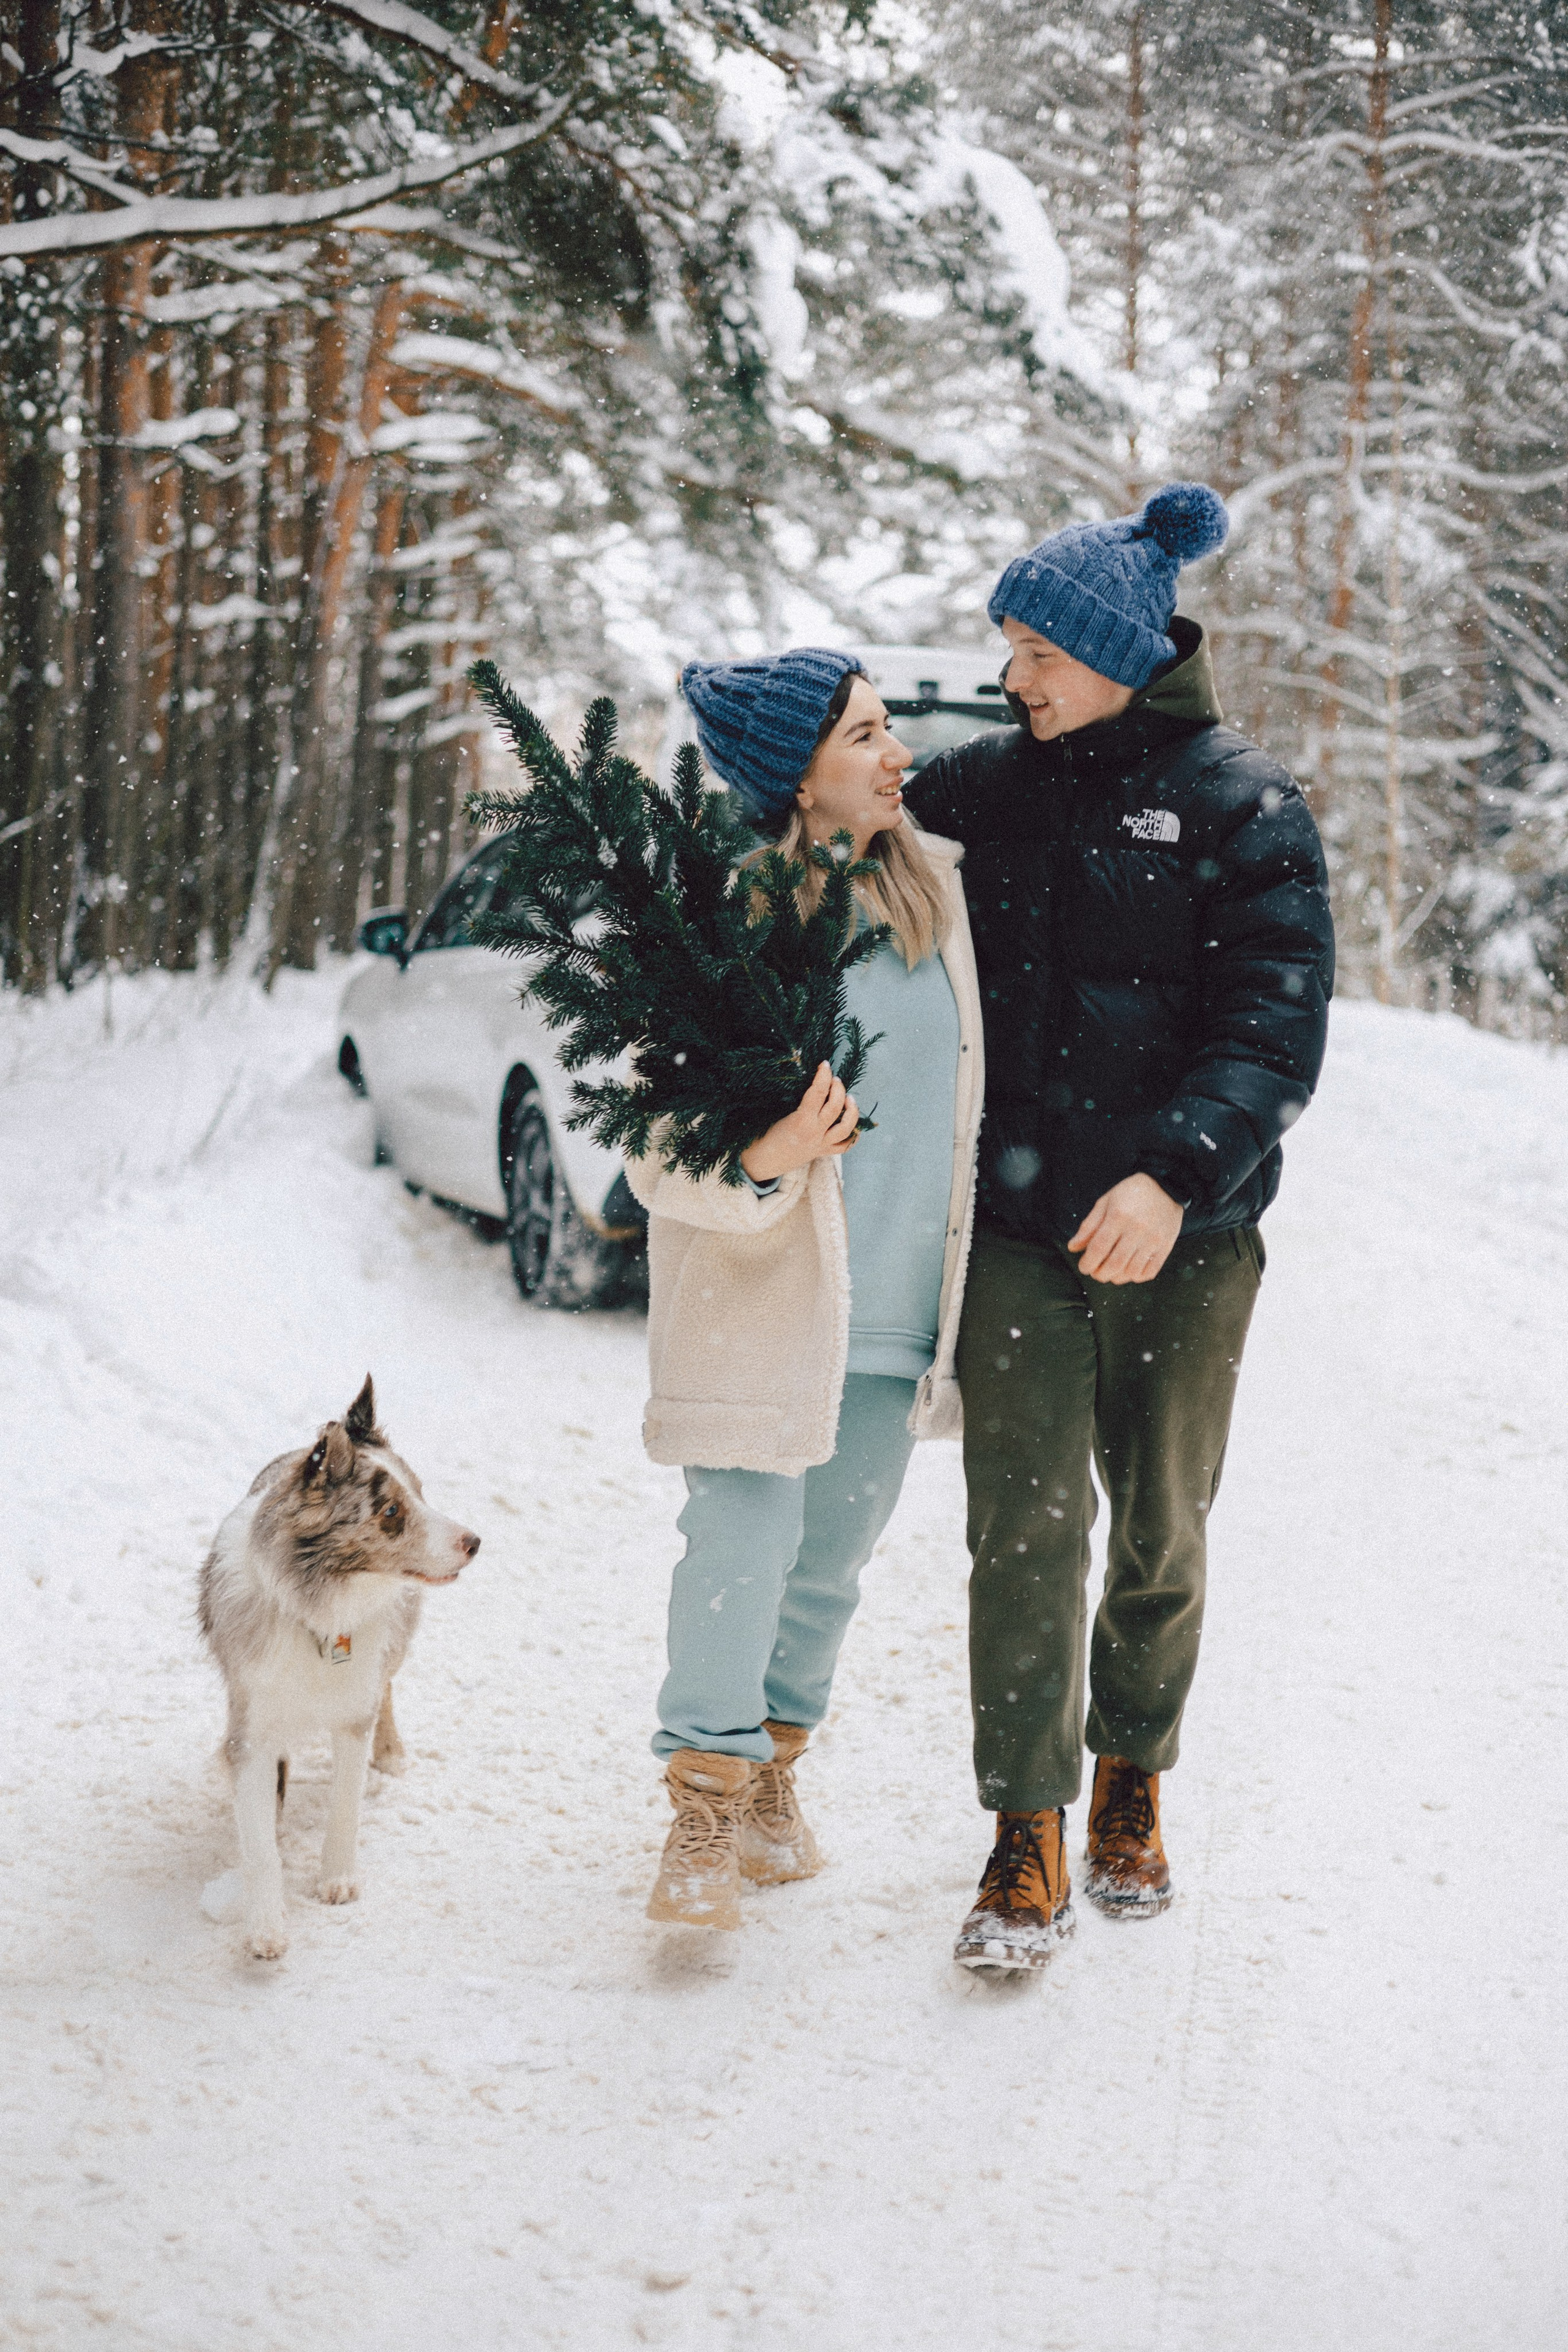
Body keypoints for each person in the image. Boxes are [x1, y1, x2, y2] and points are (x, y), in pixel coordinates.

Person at [903, 483, 1335, 1970]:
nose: (1008, 676)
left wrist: (1170, 1178)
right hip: (1020, 1234)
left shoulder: (1241, 803)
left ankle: (1128, 1779)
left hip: (1185, 1240)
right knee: (1018, 1534)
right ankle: (1022, 1826)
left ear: (1115, 654)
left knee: (1157, 1528)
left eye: (1032, 649)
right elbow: (834, 845)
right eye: (1006, 648)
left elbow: (1271, 1030)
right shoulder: (969, 793)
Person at [626, 647, 984, 1931]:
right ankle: (703, 1807)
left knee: (828, 1558)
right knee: (740, 1540)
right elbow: (651, 1143)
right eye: (867, 737)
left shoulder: (937, 893)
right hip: (761, 1291)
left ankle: (777, 1771)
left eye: (890, 731)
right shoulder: (717, 918)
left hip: (895, 1297)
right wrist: (764, 1156)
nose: (897, 756)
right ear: (794, 776)